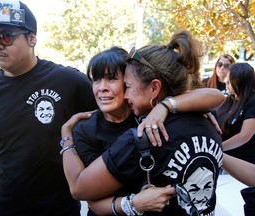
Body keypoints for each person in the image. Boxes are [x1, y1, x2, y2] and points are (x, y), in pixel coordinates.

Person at [61, 30, 223, 215]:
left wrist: (164, 107)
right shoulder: (205, 118)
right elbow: (93, 201)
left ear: (154, 87)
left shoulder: (143, 135)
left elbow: (80, 189)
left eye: (125, 84)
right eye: (96, 80)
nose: (103, 87)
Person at [0, 0, 98, 215]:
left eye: (5, 36)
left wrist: (167, 106)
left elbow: (114, 115)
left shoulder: (68, 81)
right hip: (6, 210)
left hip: (60, 210)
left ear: (32, 38)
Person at [216, 62, 255, 164]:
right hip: (224, 159)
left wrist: (217, 148)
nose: (226, 81)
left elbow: (244, 136)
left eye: (230, 80)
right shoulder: (229, 100)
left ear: (241, 81)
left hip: (244, 163)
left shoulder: (252, 102)